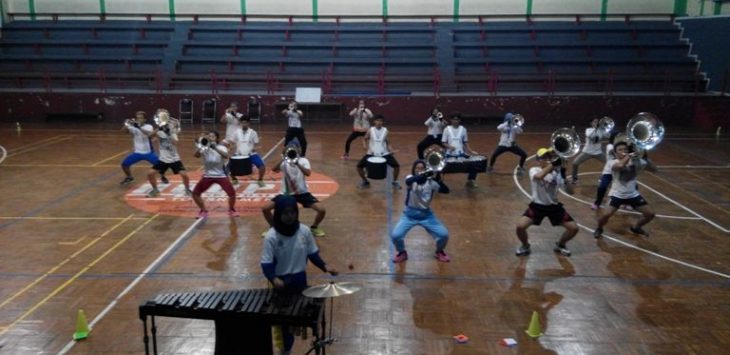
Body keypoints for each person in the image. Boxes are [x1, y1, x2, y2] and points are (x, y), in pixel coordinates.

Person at [260, 195, 338, 355]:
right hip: (280, 283)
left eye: (292, 212)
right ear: (278, 214)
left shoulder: (304, 231)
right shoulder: (271, 236)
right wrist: (274, 279)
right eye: (285, 213)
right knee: (283, 325)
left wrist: (325, 266)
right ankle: (285, 351)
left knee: (299, 318)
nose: (290, 216)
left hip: (300, 280)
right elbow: (266, 264)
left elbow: (312, 253)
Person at [515, 148, 578, 257]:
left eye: (549, 157)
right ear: (538, 160)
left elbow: (571, 192)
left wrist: (564, 175)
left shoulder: (557, 173)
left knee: (574, 228)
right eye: (544, 158)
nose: (548, 159)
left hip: (554, 207)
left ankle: (561, 245)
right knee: (520, 227)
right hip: (537, 206)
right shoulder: (534, 170)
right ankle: (525, 245)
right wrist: (554, 165)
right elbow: (539, 176)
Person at [262, 140, 327, 237]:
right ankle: (273, 227)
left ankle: (314, 227)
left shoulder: (304, 161)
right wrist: (283, 158)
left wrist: (297, 163)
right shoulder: (284, 162)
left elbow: (308, 173)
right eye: (289, 148)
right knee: (265, 209)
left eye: (295, 148)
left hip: (302, 193)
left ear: (299, 150)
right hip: (285, 193)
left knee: (322, 210)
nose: (292, 150)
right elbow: (274, 170)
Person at [390, 160, 451, 263]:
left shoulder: (431, 183)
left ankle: (439, 251)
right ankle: (402, 252)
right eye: (417, 168)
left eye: (422, 168)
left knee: (443, 235)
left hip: (426, 215)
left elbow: (446, 190)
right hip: (409, 215)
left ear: (425, 169)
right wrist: (426, 174)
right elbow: (409, 182)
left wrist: (437, 179)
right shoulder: (410, 178)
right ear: (414, 170)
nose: (419, 170)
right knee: (396, 236)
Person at [594, 141, 657, 238]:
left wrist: (645, 156)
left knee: (650, 214)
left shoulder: (636, 162)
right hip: (616, 195)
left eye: (625, 149)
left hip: (632, 194)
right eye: (620, 150)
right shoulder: (612, 163)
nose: (623, 151)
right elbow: (620, 166)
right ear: (615, 153)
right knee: (605, 215)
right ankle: (599, 228)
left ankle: (636, 227)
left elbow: (654, 169)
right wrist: (630, 155)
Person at [191, 131, 238, 218]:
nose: (210, 137)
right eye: (209, 136)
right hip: (208, 175)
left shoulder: (221, 147)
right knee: (195, 193)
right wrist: (201, 147)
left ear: (217, 138)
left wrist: (215, 147)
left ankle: (231, 209)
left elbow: (226, 156)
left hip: (221, 175)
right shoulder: (204, 147)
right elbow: (196, 155)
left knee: (232, 194)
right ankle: (203, 210)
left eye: (212, 136)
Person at [146, 111, 192, 197]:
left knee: (184, 175)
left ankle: (187, 189)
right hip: (163, 159)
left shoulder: (173, 132)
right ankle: (155, 190)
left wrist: (168, 134)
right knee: (150, 174)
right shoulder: (159, 131)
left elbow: (176, 143)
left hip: (174, 159)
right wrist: (159, 128)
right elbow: (150, 136)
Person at [356, 115, 401, 189]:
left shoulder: (385, 130)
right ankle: (365, 181)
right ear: (374, 121)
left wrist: (391, 150)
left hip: (384, 153)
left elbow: (388, 142)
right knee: (359, 167)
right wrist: (364, 145)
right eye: (377, 120)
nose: (379, 122)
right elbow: (364, 139)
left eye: (381, 121)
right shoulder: (370, 130)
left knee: (396, 166)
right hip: (371, 153)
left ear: (383, 122)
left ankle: (394, 182)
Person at [120, 111, 159, 185]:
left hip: (148, 152)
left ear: (144, 119)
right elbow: (124, 131)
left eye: (141, 118)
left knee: (160, 166)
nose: (139, 119)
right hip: (137, 152)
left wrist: (139, 127)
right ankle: (129, 177)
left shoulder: (148, 126)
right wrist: (127, 124)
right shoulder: (133, 127)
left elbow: (149, 134)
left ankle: (163, 176)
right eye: (137, 118)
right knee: (124, 164)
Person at [441, 113, 480, 188]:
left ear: (460, 120)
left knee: (475, 163)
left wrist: (471, 151)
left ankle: (471, 180)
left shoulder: (463, 129)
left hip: (461, 154)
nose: (455, 121)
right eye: (454, 119)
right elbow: (443, 142)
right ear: (451, 120)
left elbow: (465, 143)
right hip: (450, 155)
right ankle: (438, 181)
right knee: (438, 166)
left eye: (457, 119)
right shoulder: (447, 129)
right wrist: (449, 146)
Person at [229, 116, 266, 187]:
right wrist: (231, 147)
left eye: (245, 123)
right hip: (239, 154)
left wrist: (255, 148)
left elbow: (257, 144)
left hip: (251, 154)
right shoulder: (236, 132)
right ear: (240, 123)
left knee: (262, 166)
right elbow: (232, 141)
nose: (244, 124)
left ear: (248, 123)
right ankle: (234, 179)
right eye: (242, 123)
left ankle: (260, 180)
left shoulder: (253, 132)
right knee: (229, 167)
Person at [570, 118, 607, 184]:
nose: (596, 123)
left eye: (597, 122)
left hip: (598, 153)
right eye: (594, 122)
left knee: (609, 163)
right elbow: (590, 136)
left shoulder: (601, 131)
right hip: (587, 152)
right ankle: (574, 179)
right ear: (591, 123)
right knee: (575, 163)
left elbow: (609, 136)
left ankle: (603, 178)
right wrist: (596, 129)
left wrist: (605, 128)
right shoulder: (588, 130)